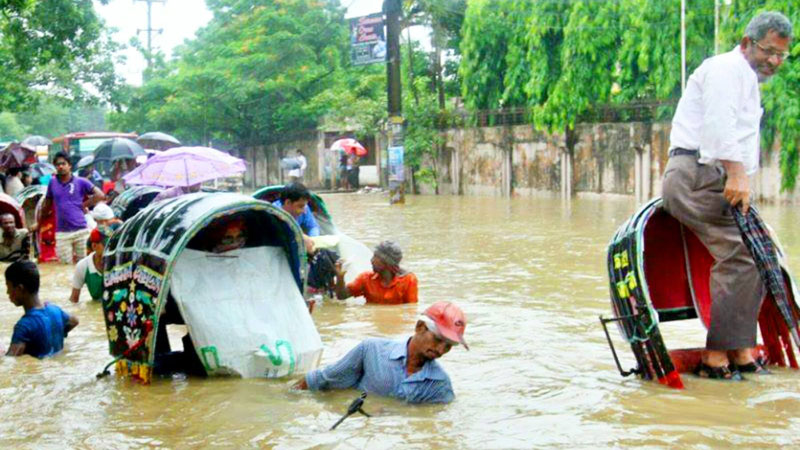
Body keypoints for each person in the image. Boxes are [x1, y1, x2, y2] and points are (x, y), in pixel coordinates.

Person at [661, 12, 792, 380]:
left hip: (714, 178)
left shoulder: (747, 81)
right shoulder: (724, 69)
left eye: (782, 55)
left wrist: (739, 177)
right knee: (742, 255)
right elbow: (718, 127)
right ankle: (715, 356)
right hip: (693, 177)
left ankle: (739, 350)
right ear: (747, 43)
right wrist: (736, 173)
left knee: (760, 252)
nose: (774, 61)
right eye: (768, 51)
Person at [293, 301, 468, 404]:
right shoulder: (372, 350)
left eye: (448, 346)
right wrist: (284, 399)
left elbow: (430, 423)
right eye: (438, 340)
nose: (440, 350)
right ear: (419, 327)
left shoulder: (439, 384)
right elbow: (322, 379)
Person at [5, 260, 79, 358]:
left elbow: (11, 359)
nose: (7, 292)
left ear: (20, 288)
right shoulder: (55, 310)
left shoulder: (24, 326)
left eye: (8, 287)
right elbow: (74, 321)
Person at [42, 152, 105, 264]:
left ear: (69, 165)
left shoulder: (81, 181)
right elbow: (47, 205)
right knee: (64, 267)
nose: (60, 166)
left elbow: (100, 195)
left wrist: (83, 205)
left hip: (81, 230)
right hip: (62, 233)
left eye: (63, 163)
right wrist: (39, 223)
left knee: (86, 264)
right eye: (57, 164)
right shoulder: (52, 183)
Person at [334, 240, 418, 305]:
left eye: (376, 257)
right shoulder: (366, 278)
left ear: (387, 262)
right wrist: (340, 277)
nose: (371, 260)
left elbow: (410, 310)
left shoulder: (408, 280)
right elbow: (342, 296)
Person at [271, 182, 319, 253]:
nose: (304, 211)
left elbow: (313, 226)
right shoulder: (272, 213)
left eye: (304, 206)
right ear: (288, 203)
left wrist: (313, 239)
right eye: (300, 206)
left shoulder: (304, 208)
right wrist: (300, 237)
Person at [70, 228, 108, 303]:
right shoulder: (83, 266)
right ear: (94, 246)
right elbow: (74, 299)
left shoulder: (118, 262)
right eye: (106, 245)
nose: (110, 248)